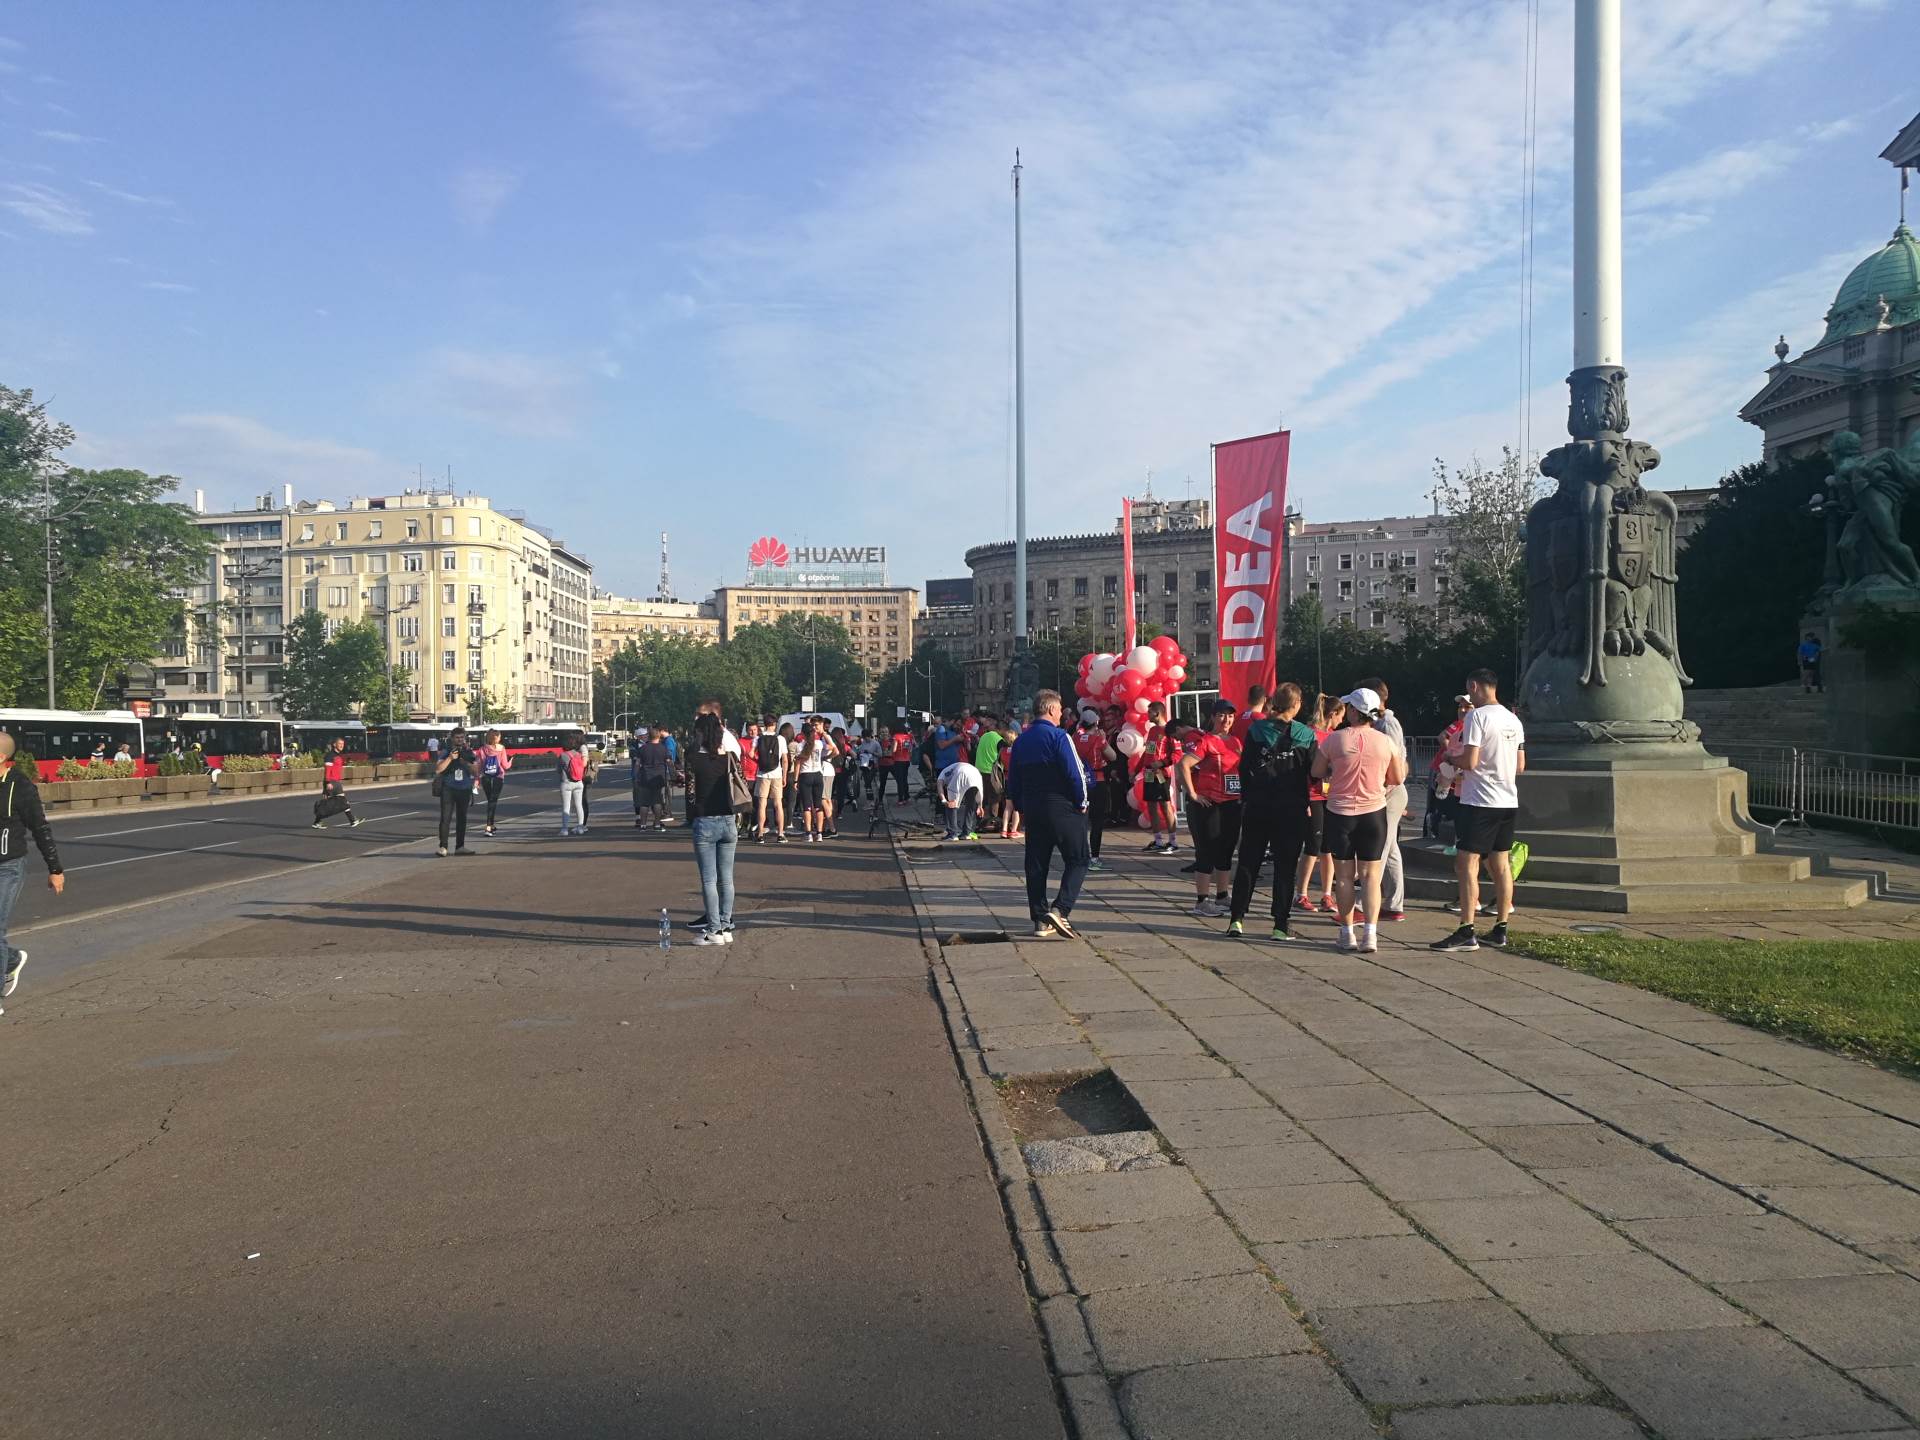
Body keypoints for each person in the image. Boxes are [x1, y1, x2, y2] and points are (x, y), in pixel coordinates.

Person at [1433, 668, 1526, 953]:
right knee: (1500, 864)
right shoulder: (1514, 720)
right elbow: (1520, 765)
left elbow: (1470, 761)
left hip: (1479, 801)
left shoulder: (1476, 716)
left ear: (1474, 686)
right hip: (1507, 800)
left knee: (1466, 863)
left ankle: (1466, 929)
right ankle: (1500, 927)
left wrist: (1450, 756)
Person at [1312, 688, 1407, 954]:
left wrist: (1336, 769)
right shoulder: (1385, 741)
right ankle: (1370, 935)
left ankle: (1347, 932)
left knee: (1343, 876)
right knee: (1371, 876)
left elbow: (1316, 771)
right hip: (1373, 813)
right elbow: (1397, 778)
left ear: (1353, 711)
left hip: (1340, 812)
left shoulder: (1334, 740)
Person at [1227, 682, 1317, 940]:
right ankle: (1279, 925)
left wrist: (1247, 797)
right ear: (1297, 705)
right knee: (1285, 866)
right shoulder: (1306, 735)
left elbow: (1244, 768)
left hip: (1258, 805)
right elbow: (1313, 772)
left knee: (1248, 862)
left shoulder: (1256, 730)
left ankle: (1236, 920)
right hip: (1292, 809)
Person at [1005, 689, 1090, 939]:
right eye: (1060, 709)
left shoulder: (1021, 740)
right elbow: (1074, 772)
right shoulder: (1060, 737)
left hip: (1033, 808)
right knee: (1078, 859)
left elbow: (1014, 779)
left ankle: (1039, 920)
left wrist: (1021, 806)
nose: (1062, 714)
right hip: (1061, 806)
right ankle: (1060, 909)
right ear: (1052, 709)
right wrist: (1082, 801)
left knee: (1036, 865)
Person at [0, 732, 64, 1012]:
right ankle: (11, 959)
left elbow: (40, 828)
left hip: (8, 866)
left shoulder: (19, 786)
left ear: (2, 757)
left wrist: (55, 869)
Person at [1179, 700, 1244, 916]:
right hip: (1210, 803)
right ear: (1214, 717)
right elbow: (1184, 764)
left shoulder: (1235, 741)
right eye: (1222, 715)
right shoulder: (1206, 741)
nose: (1227, 720)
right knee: (1206, 850)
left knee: (1226, 849)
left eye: (1231, 716)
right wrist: (1193, 794)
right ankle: (1201, 901)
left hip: (1232, 802)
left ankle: (1223, 895)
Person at [685, 711, 739, 947]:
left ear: (699, 734)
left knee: (709, 879)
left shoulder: (694, 759)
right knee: (726, 879)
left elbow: (690, 793)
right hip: (728, 820)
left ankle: (713, 929)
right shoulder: (728, 758)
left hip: (705, 820)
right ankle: (726, 926)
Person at [1358, 675, 1410, 922]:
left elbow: (1395, 762)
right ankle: (1394, 903)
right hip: (1386, 791)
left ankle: (1361, 905)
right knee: (1390, 850)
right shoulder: (1380, 723)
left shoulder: (1387, 724)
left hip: (1389, 792)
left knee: (1379, 848)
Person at [1293, 693, 1344, 913]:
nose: (1341, 721)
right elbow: (1301, 768)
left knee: (1328, 848)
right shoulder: (1310, 734)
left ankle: (1326, 895)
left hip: (1330, 796)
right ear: (1332, 714)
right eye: (1340, 716)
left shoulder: (1333, 735)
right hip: (1312, 796)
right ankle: (1301, 894)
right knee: (1312, 847)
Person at [1424, 696, 1473, 842]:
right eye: (1460, 707)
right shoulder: (1457, 725)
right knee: (1439, 804)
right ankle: (1432, 829)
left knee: (1452, 806)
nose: (1462, 710)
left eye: (1467, 707)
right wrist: (1452, 752)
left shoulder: (1475, 728)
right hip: (1443, 771)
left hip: (1457, 775)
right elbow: (1442, 737)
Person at [1139, 700, 1178, 853]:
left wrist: (1161, 763)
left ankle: (1173, 841)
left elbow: (1177, 754)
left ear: (1157, 713)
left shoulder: (1169, 730)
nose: (1147, 715)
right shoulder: (1153, 730)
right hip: (1149, 773)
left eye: (1149, 712)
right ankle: (1158, 840)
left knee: (1165, 805)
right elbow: (1148, 753)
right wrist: (1136, 770)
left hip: (1161, 774)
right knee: (1151, 805)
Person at [434, 728, 478, 856]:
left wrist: (466, 763)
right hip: (448, 789)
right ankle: (443, 847)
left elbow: (476, 772)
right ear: (452, 738)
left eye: (461, 737)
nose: (460, 739)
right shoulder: (446, 752)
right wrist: (450, 758)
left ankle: (460, 847)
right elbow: (438, 769)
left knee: (462, 819)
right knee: (445, 818)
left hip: (464, 789)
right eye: (457, 737)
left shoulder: (469, 752)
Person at [794, 718, 834, 843]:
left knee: (806, 806)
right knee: (818, 805)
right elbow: (832, 747)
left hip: (805, 775)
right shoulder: (819, 744)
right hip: (818, 774)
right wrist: (825, 734)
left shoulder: (800, 746)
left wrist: (795, 780)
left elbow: (798, 764)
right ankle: (820, 833)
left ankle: (808, 833)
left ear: (803, 734)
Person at [311, 736, 364, 829]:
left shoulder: (338, 755)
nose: (341, 745)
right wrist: (327, 782)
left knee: (332, 802)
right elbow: (327, 770)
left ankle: (317, 822)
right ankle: (352, 820)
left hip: (335, 782)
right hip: (332, 782)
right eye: (339, 744)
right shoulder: (330, 756)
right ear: (334, 744)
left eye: (343, 744)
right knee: (341, 801)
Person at [752, 720, 787, 842]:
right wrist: (784, 776)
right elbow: (785, 759)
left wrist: (759, 762)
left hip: (762, 775)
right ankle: (781, 834)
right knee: (778, 804)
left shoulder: (758, 738)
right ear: (775, 724)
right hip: (777, 774)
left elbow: (751, 754)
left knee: (762, 805)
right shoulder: (780, 738)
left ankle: (760, 834)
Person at [634, 725, 674, 831]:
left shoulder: (642, 749)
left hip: (645, 777)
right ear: (659, 736)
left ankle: (643, 825)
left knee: (644, 802)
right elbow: (669, 763)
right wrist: (673, 776)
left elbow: (637, 764)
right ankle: (656, 824)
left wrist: (636, 776)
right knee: (657, 801)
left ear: (649, 736)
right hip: (659, 778)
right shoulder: (664, 749)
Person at [937, 755, 984, 840]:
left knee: (952, 804)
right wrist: (980, 805)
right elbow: (980, 791)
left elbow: (939, 787)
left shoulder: (942, 774)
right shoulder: (951, 768)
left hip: (961, 773)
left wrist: (944, 801)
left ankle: (953, 834)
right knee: (971, 804)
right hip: (976, 773)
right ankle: (967, 833)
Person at [478, 729, 512, 836]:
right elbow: (505, 766)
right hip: (498, 777)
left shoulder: (482, 749)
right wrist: (511, 761)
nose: (500, 738)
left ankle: (491, 825)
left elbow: (480, 765)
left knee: (490, 801)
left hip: (486, 777)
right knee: (493, 801)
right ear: (496, 737)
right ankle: (488, 827)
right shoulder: (501, 748)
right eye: (499, 736)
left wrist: (477, 780)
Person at [995, 719, 1023, 840]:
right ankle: (1013, 831)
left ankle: (1004, 829)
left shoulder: (1002, 751)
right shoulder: (1017, 750)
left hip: (1006, 779)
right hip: (1016, 779)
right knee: (1016, 807)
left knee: (1008, 806)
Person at [557, 731, 589, 836]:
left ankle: (565, 830)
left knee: (566, 807)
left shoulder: (563, 755)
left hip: (566, 783)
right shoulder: (579, 754)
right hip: (579, 782)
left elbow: (558, 770)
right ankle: (580, 828)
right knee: (579, 805)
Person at [887, 722, 915, 805]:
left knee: (899, 780)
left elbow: (894, 749)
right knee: (904, 779)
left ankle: (900, 799)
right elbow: (910, 749)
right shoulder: (908, 737)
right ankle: (907, 797)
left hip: (898, 760)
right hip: (906, 760)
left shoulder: (896, 737)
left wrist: (890, 751)